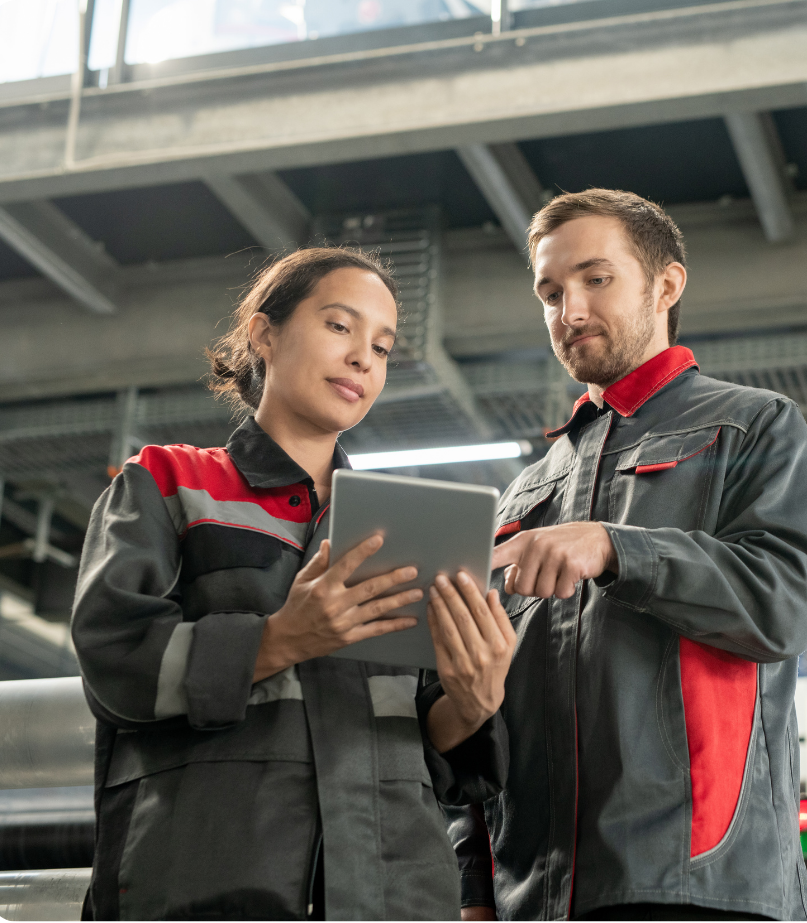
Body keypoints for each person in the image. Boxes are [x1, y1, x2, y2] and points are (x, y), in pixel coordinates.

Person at [71, 247, 517, 922]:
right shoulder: (167, 483)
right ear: (264, 332)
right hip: (205, 882)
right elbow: (116, 659)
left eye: (383, 345)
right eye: (340, 326)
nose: (365, 358)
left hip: (394, 894)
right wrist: (277, 639)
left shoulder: (411, 526)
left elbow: (432, 740)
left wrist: (473, 701)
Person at [439, 189, 807, 922]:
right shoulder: (523, 492)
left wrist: (616, 547)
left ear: (665, 285)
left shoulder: (750, 427)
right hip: (533, 894)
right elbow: (483, 700)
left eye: (596, 278)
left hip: (701, 883)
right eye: (550, 291)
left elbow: (781, 605)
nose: (570, 310)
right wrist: (473, 881)